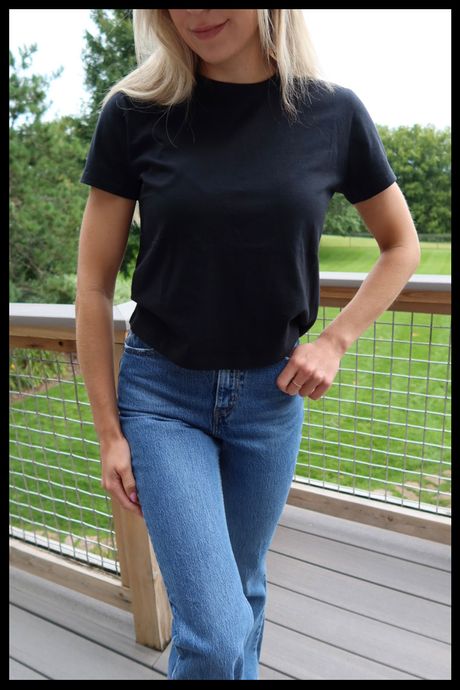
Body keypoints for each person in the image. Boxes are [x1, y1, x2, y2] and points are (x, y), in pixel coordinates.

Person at [75, 9, 420, 681]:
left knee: (244, 589)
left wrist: (336, 340)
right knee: (215, 630)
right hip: (163, 398)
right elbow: (92, 287)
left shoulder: (333, 114)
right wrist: (109, 433)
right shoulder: (135, 113)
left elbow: (400, 245)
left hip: (271, 401)